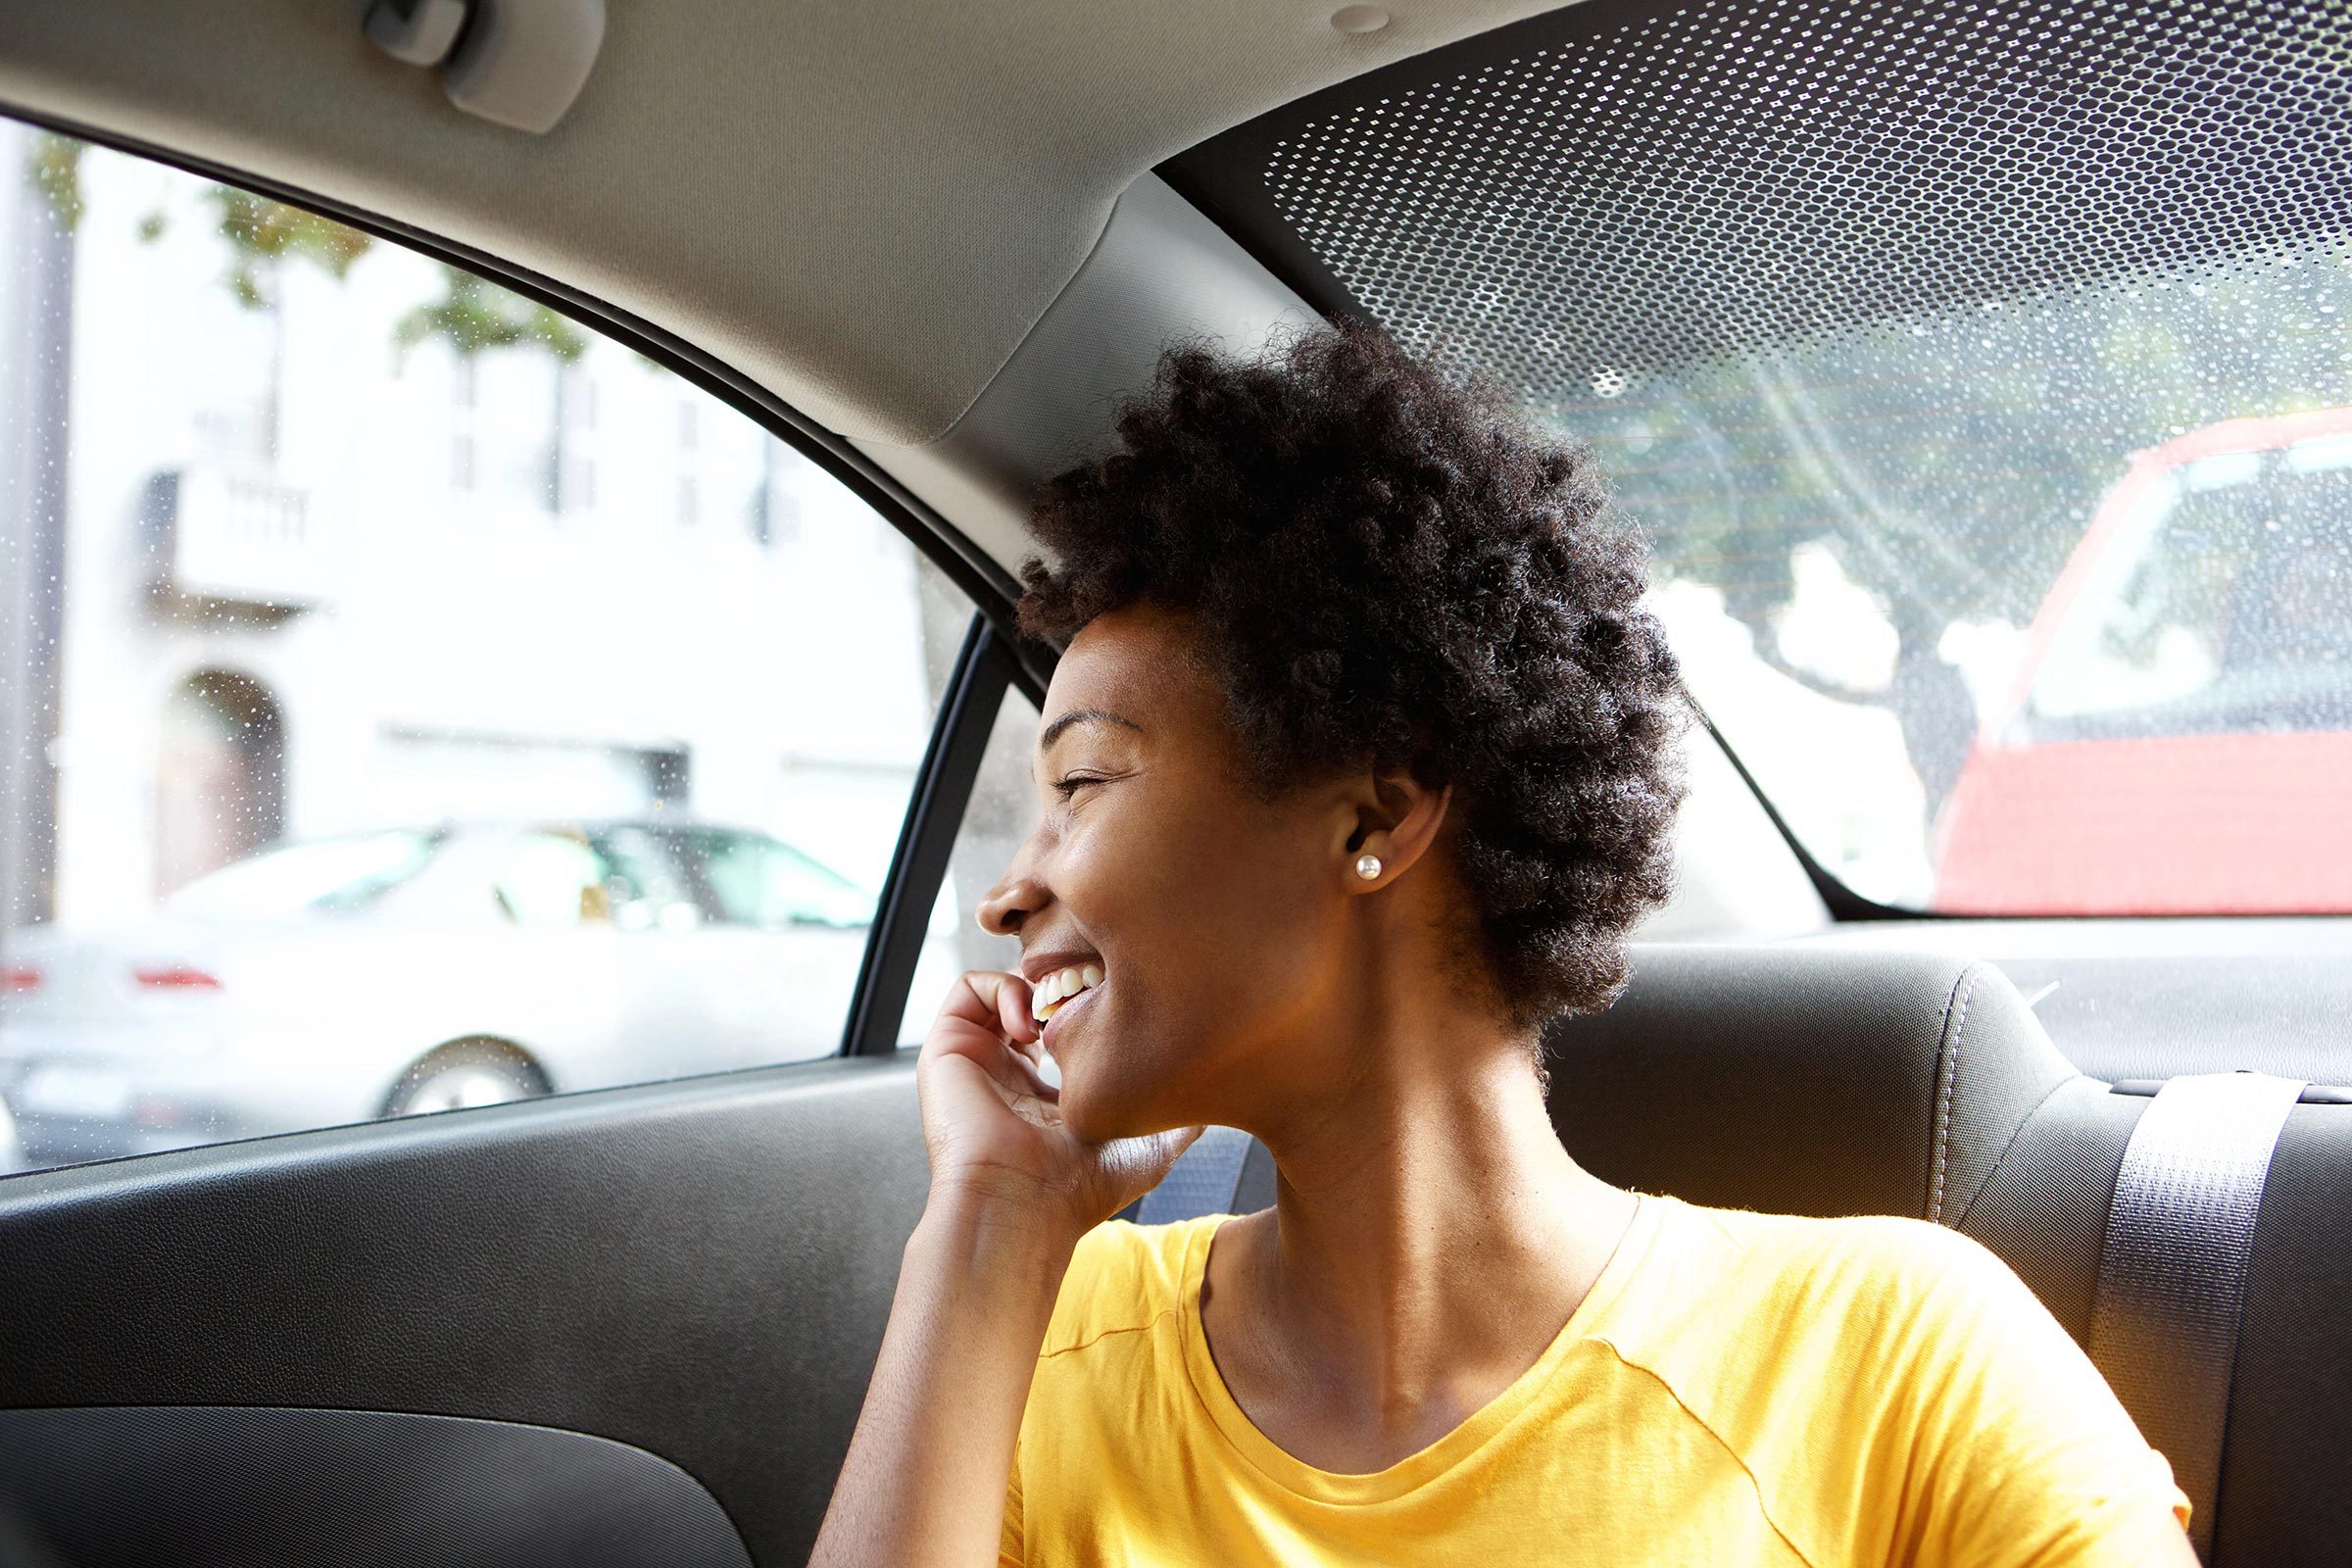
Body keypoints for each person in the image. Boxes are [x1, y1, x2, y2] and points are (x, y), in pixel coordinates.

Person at [808, 324, 2197, 1567]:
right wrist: (992, 1224)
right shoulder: (1055, 1331)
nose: (1009, 894)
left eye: (1082, 785)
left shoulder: (1894, 1358)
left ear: (1377, 810)